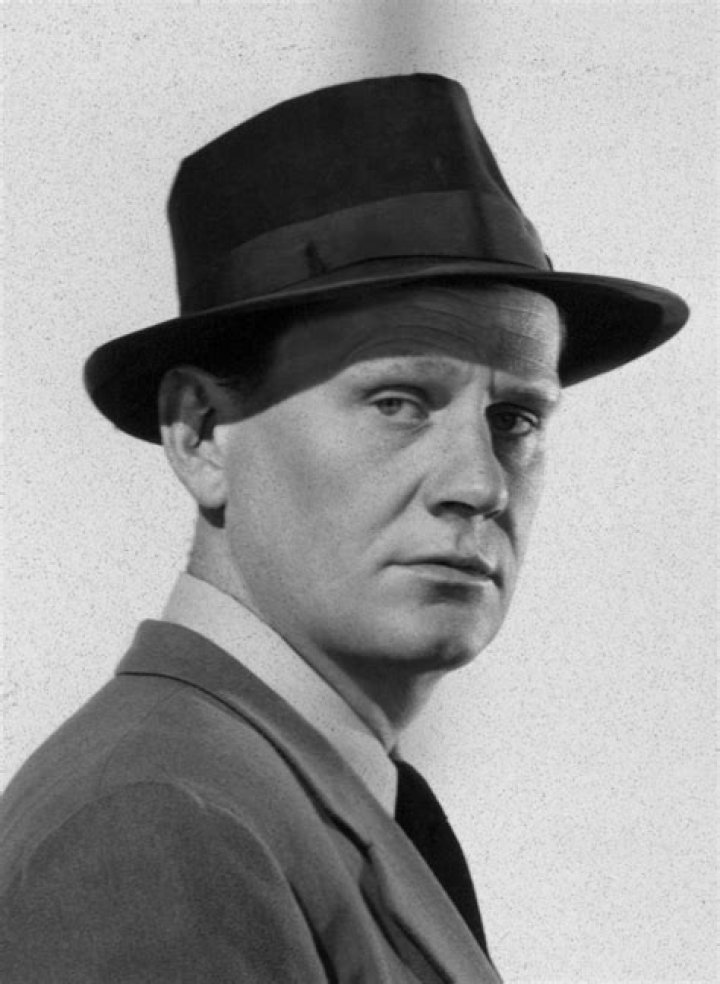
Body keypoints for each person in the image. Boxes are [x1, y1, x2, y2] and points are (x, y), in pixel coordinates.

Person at [0, 74, 688, 984]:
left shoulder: (284, 788)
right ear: (200, 434)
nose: (480, 484)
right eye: (398, 401)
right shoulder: (156, 825)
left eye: (516, 419)